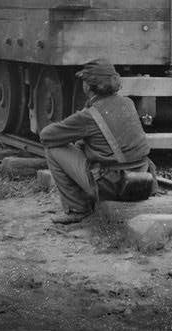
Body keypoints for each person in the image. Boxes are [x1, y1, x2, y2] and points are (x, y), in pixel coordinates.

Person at [39, 59, 156, 224]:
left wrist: (75, 128)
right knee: (84, 147)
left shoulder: (89, 115)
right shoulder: (128, 103)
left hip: (115, 186)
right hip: (144, 180)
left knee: (53, 150)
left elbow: (46, 136)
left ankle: (77, 209)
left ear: (88, 86)